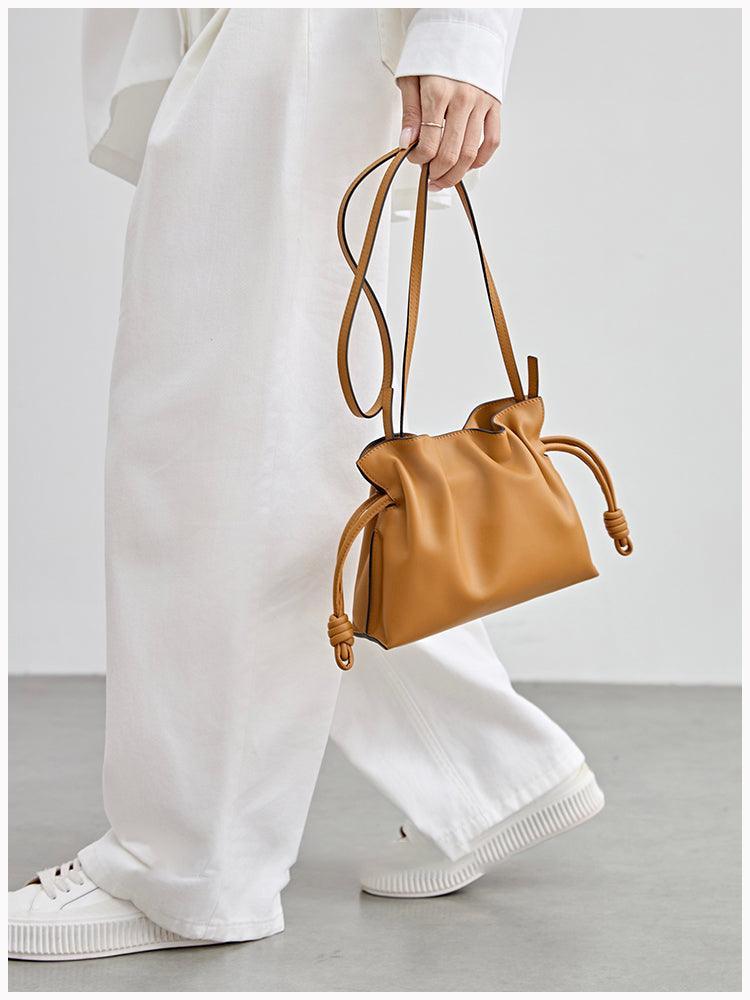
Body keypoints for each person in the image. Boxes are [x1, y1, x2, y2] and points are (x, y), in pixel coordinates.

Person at [9, 8, 604, 962]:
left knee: (209, 459)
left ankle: (189, 867)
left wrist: (462, 32)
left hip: (298, 37)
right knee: (281, 459)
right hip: (259, 47)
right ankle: (487, 771)